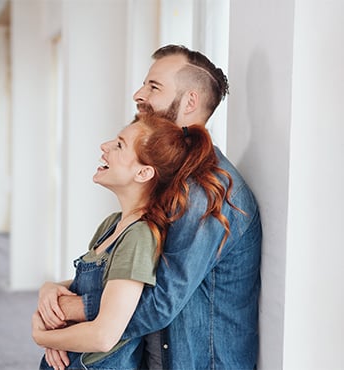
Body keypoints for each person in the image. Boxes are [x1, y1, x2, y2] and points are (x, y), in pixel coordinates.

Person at [37, 44, 262, 370]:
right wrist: (54, 292)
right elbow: (127, 282)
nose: (138, 95)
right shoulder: (169, 178)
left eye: (153, 86)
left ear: (190, 102)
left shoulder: (205, 191)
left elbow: (157, 304)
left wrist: (64, 315)